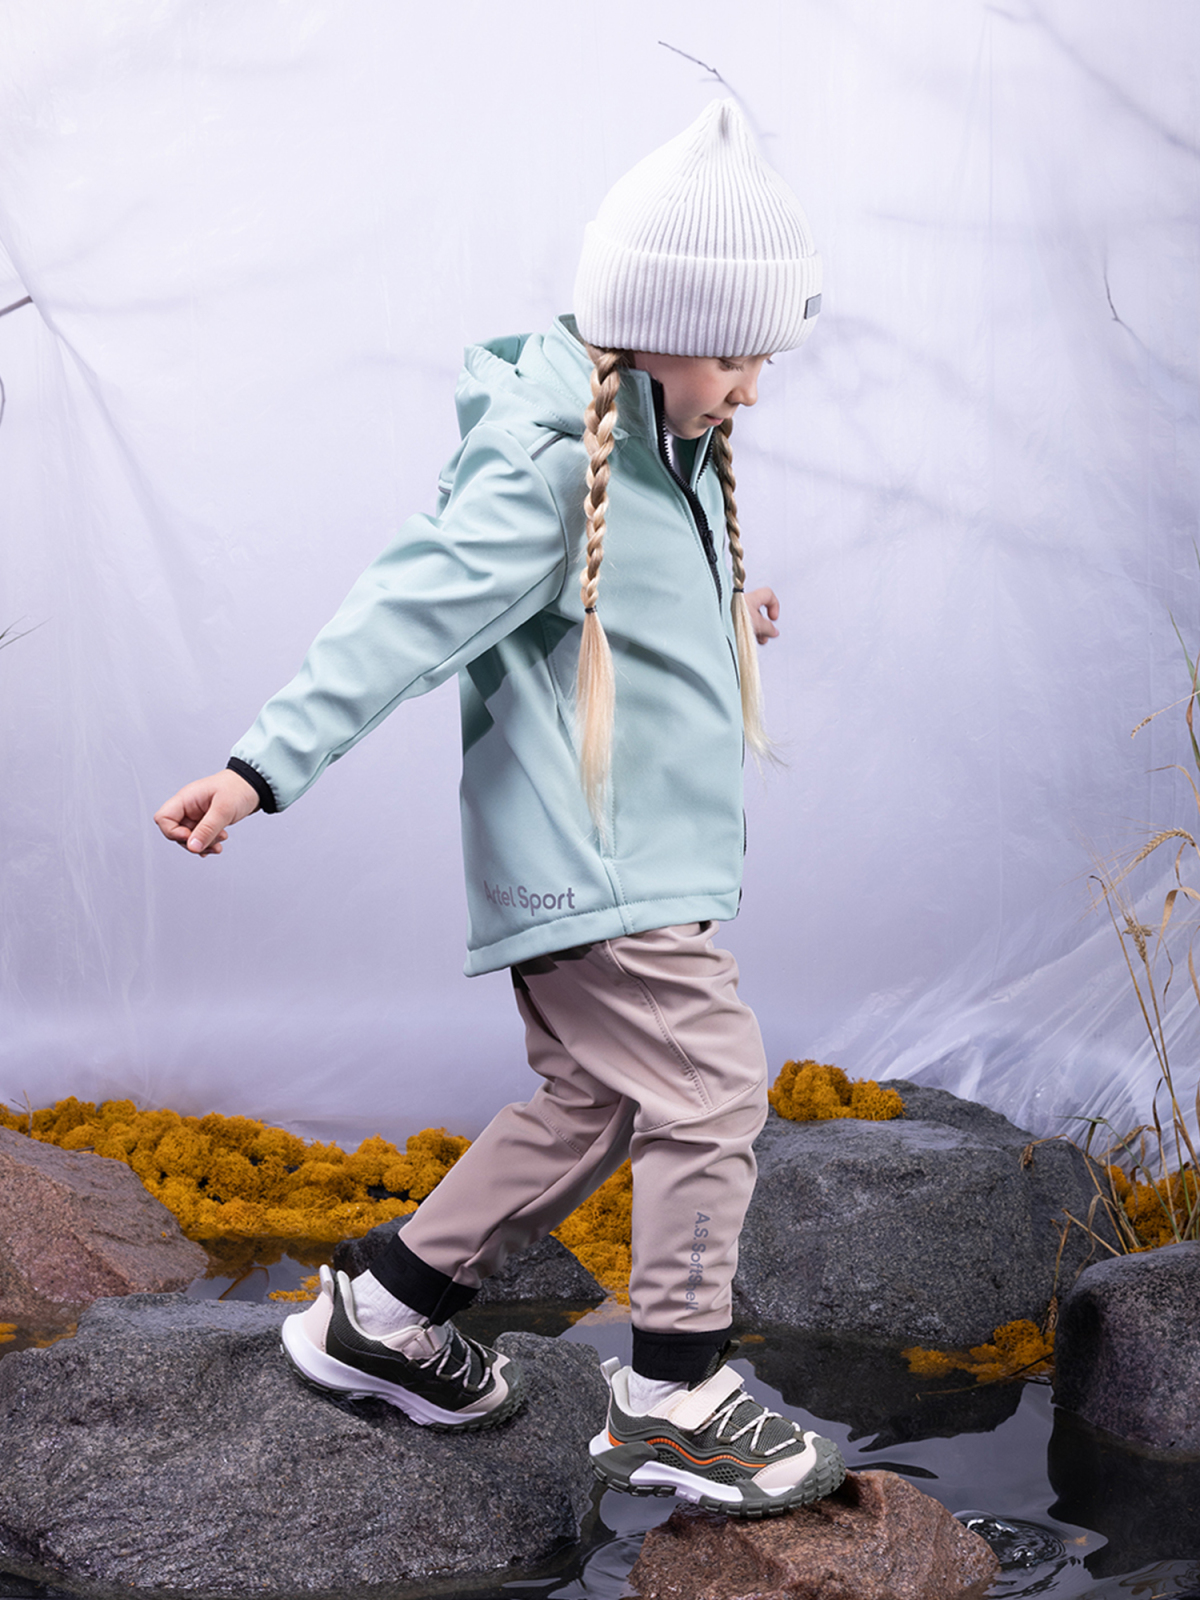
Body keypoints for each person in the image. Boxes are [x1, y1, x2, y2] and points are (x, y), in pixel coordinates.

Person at [154, 99, 846, 1516]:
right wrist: (259, 768)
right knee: (713, 1083)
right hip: (596, 870)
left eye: (763, 360)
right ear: (652, 329)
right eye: (735, 357)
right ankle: (675, 1395)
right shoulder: (545, 463)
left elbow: (614, 604)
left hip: (622, 860)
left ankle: (385, 1312)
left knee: (591, 1101)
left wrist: (725, 610)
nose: (751, 390)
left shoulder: (659, 441)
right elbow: (402, 616)